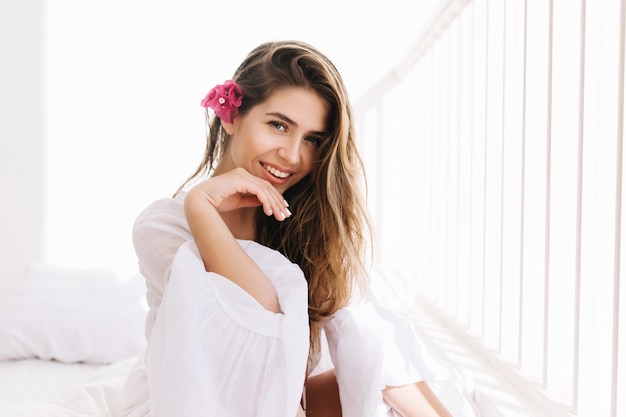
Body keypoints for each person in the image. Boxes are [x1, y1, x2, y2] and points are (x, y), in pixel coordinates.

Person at [119, 40, 475, 417]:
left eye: (312, 140)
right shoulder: (164, 226)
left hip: (282, 402)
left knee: (369, 363)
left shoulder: (306, 225)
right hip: (192, 401)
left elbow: (373, 345)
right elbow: (260, 324)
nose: (291, 155)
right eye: (278, 125)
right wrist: (201, 208)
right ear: (231, 116)